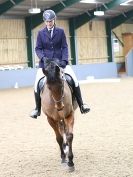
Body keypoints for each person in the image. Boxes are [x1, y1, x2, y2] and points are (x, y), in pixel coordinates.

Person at [30, 9, 90, 119]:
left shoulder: (61, 31)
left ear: (54, 20)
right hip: (45, 64)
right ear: (44, 21)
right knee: (37, 84)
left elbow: (64, 47)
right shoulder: (40, 33)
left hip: (60, 63)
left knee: (74, 79)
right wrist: (43, 58)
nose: (49, 23)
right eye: (47, 21)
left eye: (51, 21)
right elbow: (38, 48)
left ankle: (82, 105)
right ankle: (37, 108)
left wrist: (64, 60)